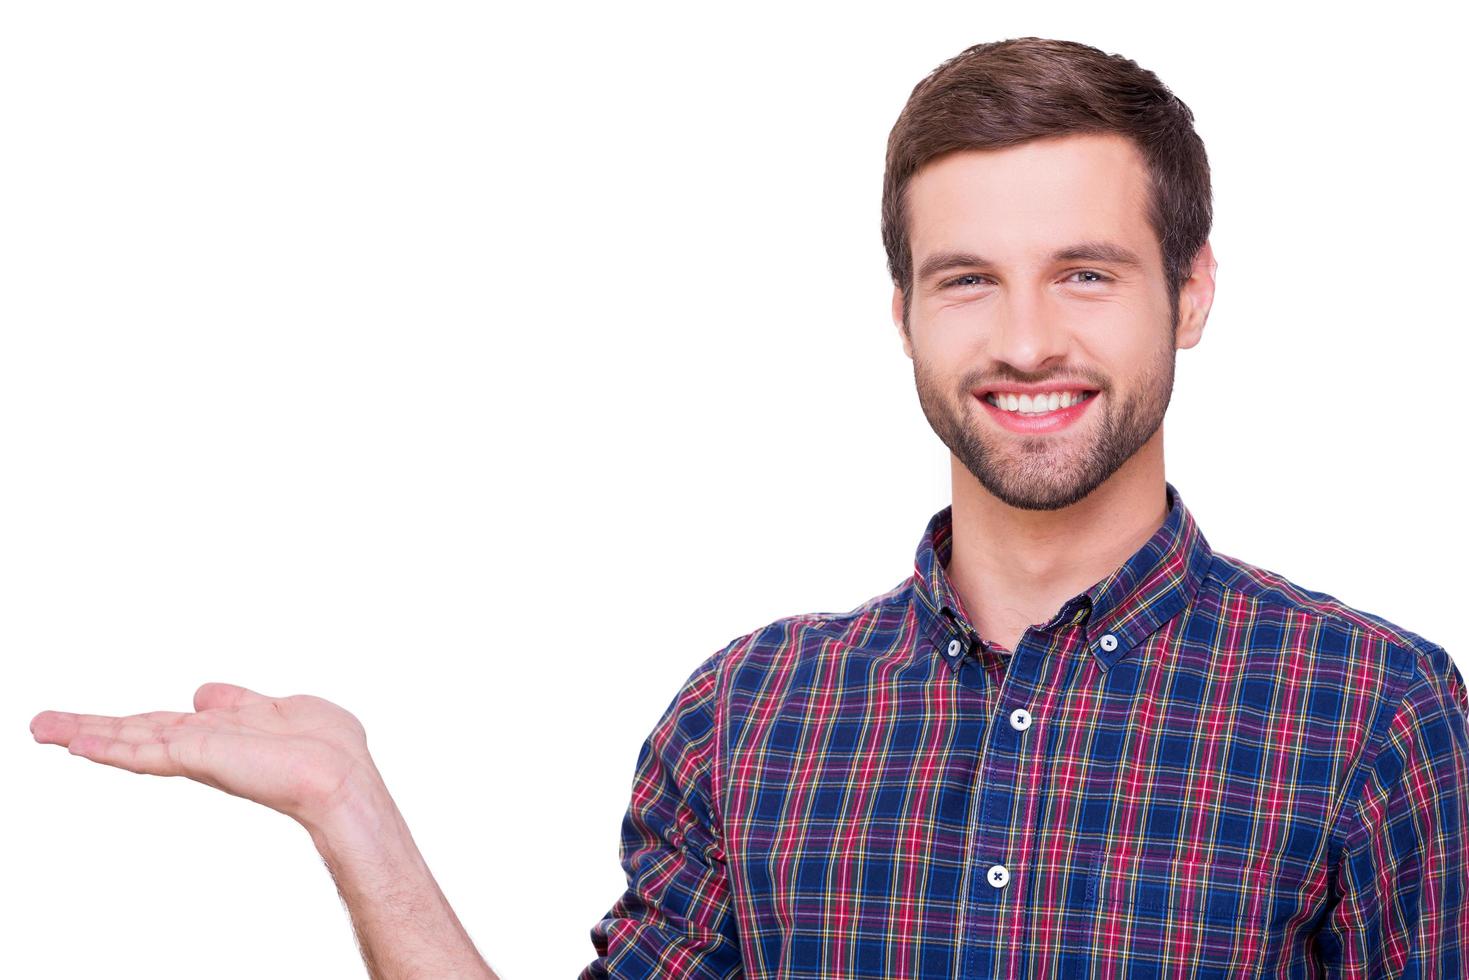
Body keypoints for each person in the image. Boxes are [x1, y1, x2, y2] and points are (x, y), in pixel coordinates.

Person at [30, 35, 1469, 978]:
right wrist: (356, 818)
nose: (1026, 337)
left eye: (1084, 273)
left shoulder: (1371, 712)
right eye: (968, 280)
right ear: (903, 310)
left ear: (1190, 293)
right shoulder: (750, 711)